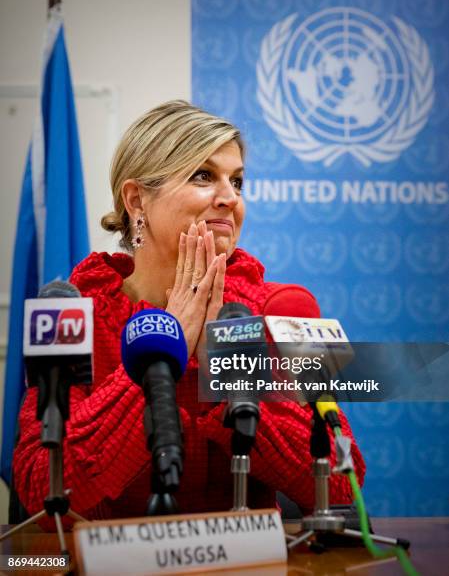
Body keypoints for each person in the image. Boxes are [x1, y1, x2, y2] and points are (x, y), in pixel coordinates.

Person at [13, 100, 365, 526]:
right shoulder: (70, 317)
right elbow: (39, 489)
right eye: (204, 176)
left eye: (237, 182)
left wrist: (223, 366)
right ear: (136, 200)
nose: (229, 198)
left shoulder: (288, 307)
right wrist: (163, 347)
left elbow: (346, 483)